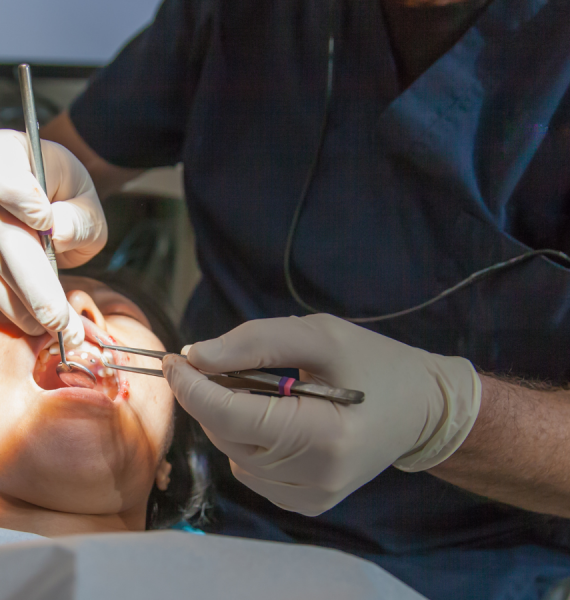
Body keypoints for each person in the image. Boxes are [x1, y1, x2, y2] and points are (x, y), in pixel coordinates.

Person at [0, 0, 569, 598]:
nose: (81, 312)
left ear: (169, 464)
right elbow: (46, 183)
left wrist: (446, 418)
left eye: (102, 299)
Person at [0, 274, 208, 540]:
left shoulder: (239, 576)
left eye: (120, 312)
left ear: (165, 462)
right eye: (18, 306)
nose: (75, 301)